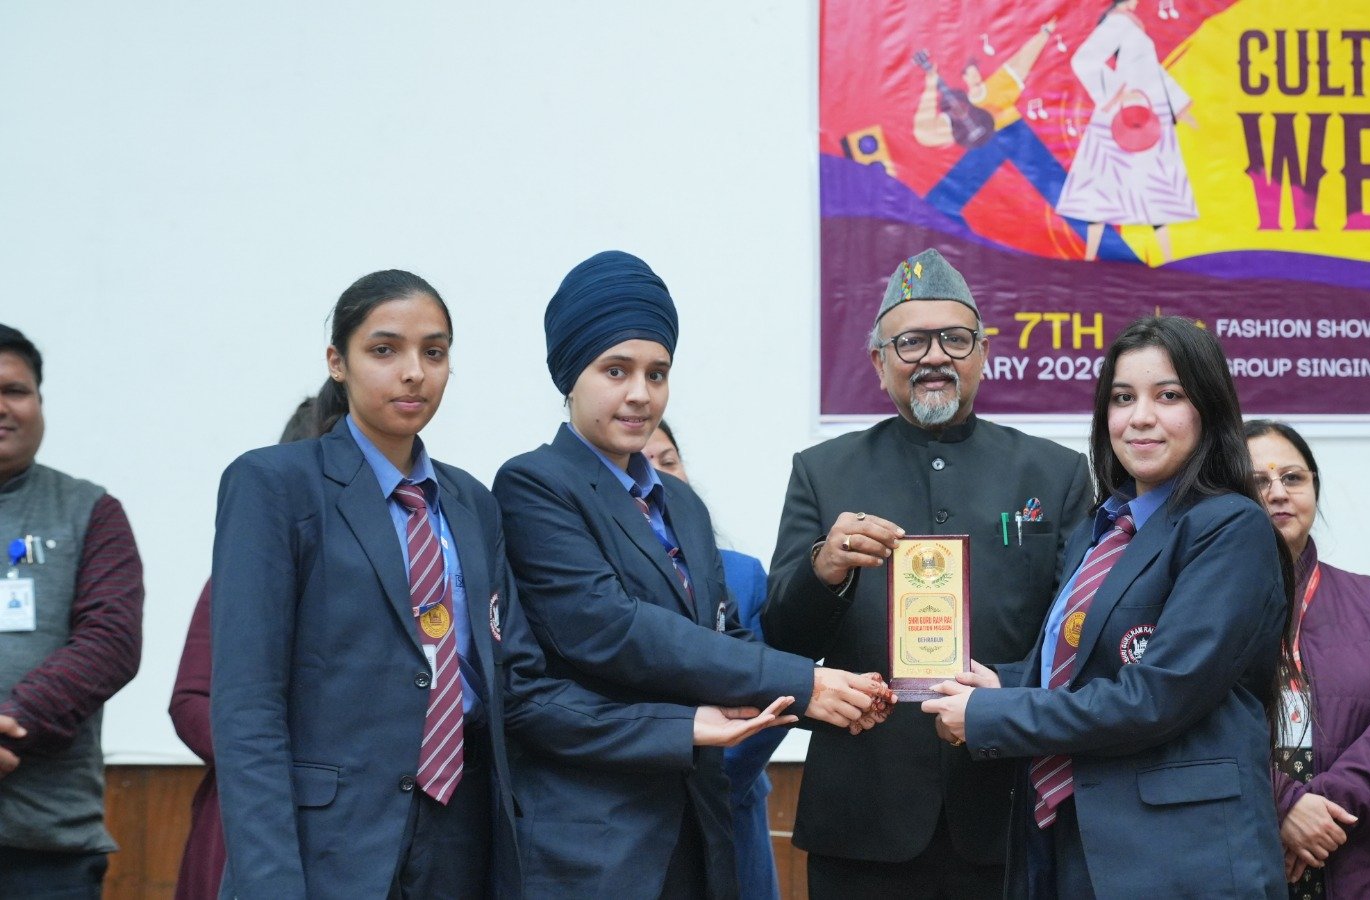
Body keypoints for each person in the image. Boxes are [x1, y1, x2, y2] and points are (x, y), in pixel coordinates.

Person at [211, 271, 776, 899]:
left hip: (465, 830)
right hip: (331, 842)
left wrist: (682, 723)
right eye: (384, 350)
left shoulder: (470, 503)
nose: (413, 373)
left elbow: (514, 688)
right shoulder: (276, 484)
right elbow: (247, 708)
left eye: (434, 352)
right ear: (337, 362)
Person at [493, 250, 890, 898]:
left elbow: (723, 637)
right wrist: (802, 681)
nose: (640, 393)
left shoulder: (680, 504)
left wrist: (831, 697)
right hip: (594, 845)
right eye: (616, 370)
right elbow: (613, 630)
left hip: (699, 833)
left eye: (657, 373)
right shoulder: (535, 485)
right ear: (570, 375)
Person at [922, 315, 1292, 898]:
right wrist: (1004, 683)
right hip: (1074, 839)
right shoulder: (1103, 531)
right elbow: (1084, 665)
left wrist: (994, 715)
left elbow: (1157, 695)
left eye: (1168, 396)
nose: (1140, 416)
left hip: (1183, 859)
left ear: (1209, 409)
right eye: (1122, 398)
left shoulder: (1231, 528)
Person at [764, 247, 1092, 898]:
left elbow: (1078, 641)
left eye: (955, 339)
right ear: (878, 362)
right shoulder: (822, 473)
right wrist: (823, 569)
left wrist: (1004, 693)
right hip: (863, 814)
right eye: (911, 342)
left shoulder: (1054, 474)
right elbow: (782, 638)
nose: (934, 356)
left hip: (1008, 805)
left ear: (983, 353)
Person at [1245, 419, 1370, 899]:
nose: (1278, 493)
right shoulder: (1194, 602)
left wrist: (1321, 810)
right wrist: (1282, 804)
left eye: (1293, 478)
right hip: (1244, 858)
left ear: (1315, 488)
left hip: (1366, 864)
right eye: (1256, 482)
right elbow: (1192, 725)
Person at [0, 324, 144, 899]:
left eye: (15, 390)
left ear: (39, 401)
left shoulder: (91, 511)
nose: (2, 407)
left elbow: (110, 642)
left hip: (46, 844)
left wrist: (14, 724)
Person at [167, 398, 321, 900]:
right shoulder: (240, 573)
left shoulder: (414, 571)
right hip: (253, 812)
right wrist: (271, 758)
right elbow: (191, 701)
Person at [645, 420, 785, 900]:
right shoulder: (591, 581)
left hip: (730, 802)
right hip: (630, 808)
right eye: (638, 465)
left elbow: (771, 690)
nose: (657, 476)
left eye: (668, 461)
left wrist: (712, 781)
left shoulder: (742, 574)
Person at [1056, 0, 1198, 263]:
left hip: (1146, 109)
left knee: (1148, 185)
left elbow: (1152, 70)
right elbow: (1084, 60)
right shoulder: (1118, 22)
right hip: (1125, 112)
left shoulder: (1129, 22)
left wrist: (1179, 107)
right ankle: (1091, 258)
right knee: (1109, 183)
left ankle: (1166, 259)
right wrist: (1118, 92)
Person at [916, 19, 1064, 232]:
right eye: (969, 72)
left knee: (1062, 193)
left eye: (976, 70)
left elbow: (1023, 60)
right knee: (939, 202)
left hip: (1014, 133)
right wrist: (930, 86)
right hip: (986, 146)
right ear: (963, 78)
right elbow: (925, 133)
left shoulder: (996, 85)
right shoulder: (960, 109)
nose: (975, 75)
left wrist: (1045, 32)